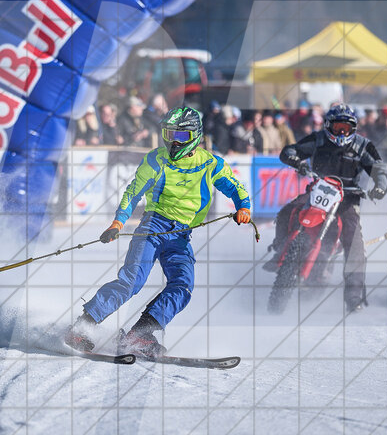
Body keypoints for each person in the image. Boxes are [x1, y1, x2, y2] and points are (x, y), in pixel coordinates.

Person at [66, 106, 251, 358]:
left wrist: (244, 207)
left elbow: (235, 187)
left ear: (195, 136)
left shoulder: (210, 163)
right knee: (132, 281)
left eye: (181, 137)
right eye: (169, 134)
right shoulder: (156, 159)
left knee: (183, 286)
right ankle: (82, 327)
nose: (174, 142)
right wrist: (118, 223)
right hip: (153, 227)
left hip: (181, 236)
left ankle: (140, 334)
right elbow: (133, 193)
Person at [266, 102, 387, 313]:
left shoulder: (363, 145)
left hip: (348, 199)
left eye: (346, 128)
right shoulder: (318, 139)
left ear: (354, 128)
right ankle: (280, 245)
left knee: (354, 245)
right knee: (288, 210)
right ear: (328, 126)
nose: (342, 132)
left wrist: (379, 187)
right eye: (337, 128)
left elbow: (380, 169)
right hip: (317, 189)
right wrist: (297, 161)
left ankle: (353, 298)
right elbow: (289, 150)